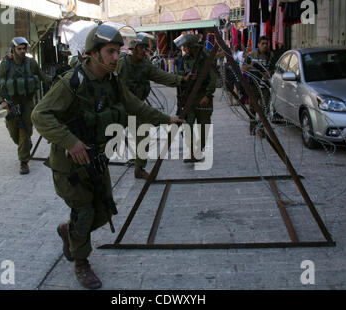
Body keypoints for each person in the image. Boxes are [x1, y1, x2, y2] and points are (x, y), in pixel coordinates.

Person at [31, 23, 184, 289]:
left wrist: (166, 119)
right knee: (85, 211)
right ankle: (81, 262)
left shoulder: (112, 82)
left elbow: (134, 106)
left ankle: (70, 231)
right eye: (111, 52)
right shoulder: (72, 84)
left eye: (118, 51)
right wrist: (70, 141)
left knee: (103, 212)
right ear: (93, 53)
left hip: (96, 159)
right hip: (70, 164)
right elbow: (39, 115)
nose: (116, 57)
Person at [116, 32, 192, 179]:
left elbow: (161, 75)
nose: (145, 51)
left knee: (143, 137)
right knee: (108, 134)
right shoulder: (122, 63)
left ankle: (139, 168)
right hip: (120, 107)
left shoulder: (145, 65)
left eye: (146, 48)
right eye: (143, 48)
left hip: (137, 107)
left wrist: (181, 79)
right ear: (135, 47)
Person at [0, 37, 52, 174]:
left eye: (24, 48)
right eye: (19, 49)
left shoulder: (31, 63)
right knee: (14, 132)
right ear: (13, 50)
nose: (22, 51)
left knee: (25, 131)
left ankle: (23, 161)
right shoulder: (5, 65)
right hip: (11, 104)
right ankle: (25, 146)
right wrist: (1, 101)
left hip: (27, 103)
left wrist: (58, 79)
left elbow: (43, 77)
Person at [174, 34, 216, 162]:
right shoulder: (185, 59)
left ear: (192, 46)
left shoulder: (206, 58)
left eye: (186, 46)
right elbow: (180, 75)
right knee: (186, 125)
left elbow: (213, 78)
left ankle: (198, 150)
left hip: (203, 96)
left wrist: (208, 95)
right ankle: (191, 150)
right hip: (188, 97)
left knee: (203, 126)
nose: (184, 49)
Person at [242, 36, 275, 135]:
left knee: (264, 107)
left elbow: (274, 69)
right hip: (253, 84)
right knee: (253, 107)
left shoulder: (271, 55)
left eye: (266, 44)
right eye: (263, 44)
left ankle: (261, 128)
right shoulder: (252, 55)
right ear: (258, 45)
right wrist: (251, 65)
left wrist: (268, 73)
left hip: (265, 85)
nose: (265, 46)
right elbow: (243, 68)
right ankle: (252, 127)